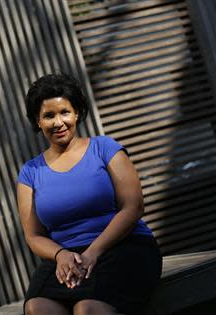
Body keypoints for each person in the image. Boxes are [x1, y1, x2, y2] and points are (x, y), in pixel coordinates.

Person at [17, 73, 162, 315]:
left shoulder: (105, 148)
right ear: (37, 121)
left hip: (122, 248)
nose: (58, 122)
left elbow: (133, 207)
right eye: (48, 116)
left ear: (76, 113)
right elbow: (33, 235)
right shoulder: (30, 172)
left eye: (64, 112)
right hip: (66, 260)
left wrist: (94, 251)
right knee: (37, 307)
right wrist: (60, 254)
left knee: (87, 310)